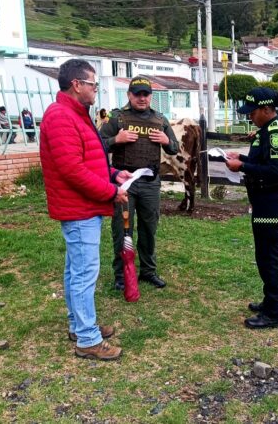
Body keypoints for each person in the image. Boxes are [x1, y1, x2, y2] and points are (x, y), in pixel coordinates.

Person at [39, 59, 131, 361]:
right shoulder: (61, 116)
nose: (96, 89)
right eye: (93, 84)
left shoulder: (75, 114)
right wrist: (110, 191)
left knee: (75, 270)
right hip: (79, 209)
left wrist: (113, 174)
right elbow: (72, 170)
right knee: (83, 273)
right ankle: (88, 339)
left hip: (84, 206)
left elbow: (88, 160)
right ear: (77, 85)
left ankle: (80, 327)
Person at [100, 76, 179, 290]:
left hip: (150, 182)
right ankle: (121, 275)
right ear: (129, 95)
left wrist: (166, 141)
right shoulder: (117, 118)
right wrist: (116, 139)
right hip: (124, 183)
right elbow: (97, 146)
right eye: (137, 94)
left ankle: (148, 271)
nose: (142, 98)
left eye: (146, 94)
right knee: (122, 229)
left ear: (151, 96)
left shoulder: (160, 120)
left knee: (149, 228)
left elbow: (175, 148)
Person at [225, 87, 278, 329]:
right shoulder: (266, 130)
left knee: (269, 257)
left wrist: (241, 167)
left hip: (271, 203)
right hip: (264, 202)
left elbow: (275, 171)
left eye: (252, 112)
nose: (249, 116)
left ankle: (274, 312)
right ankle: (269, 301)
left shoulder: (275, 133)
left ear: (266, 109)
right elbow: (262, 161)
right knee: (263, 256)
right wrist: (242, 159)